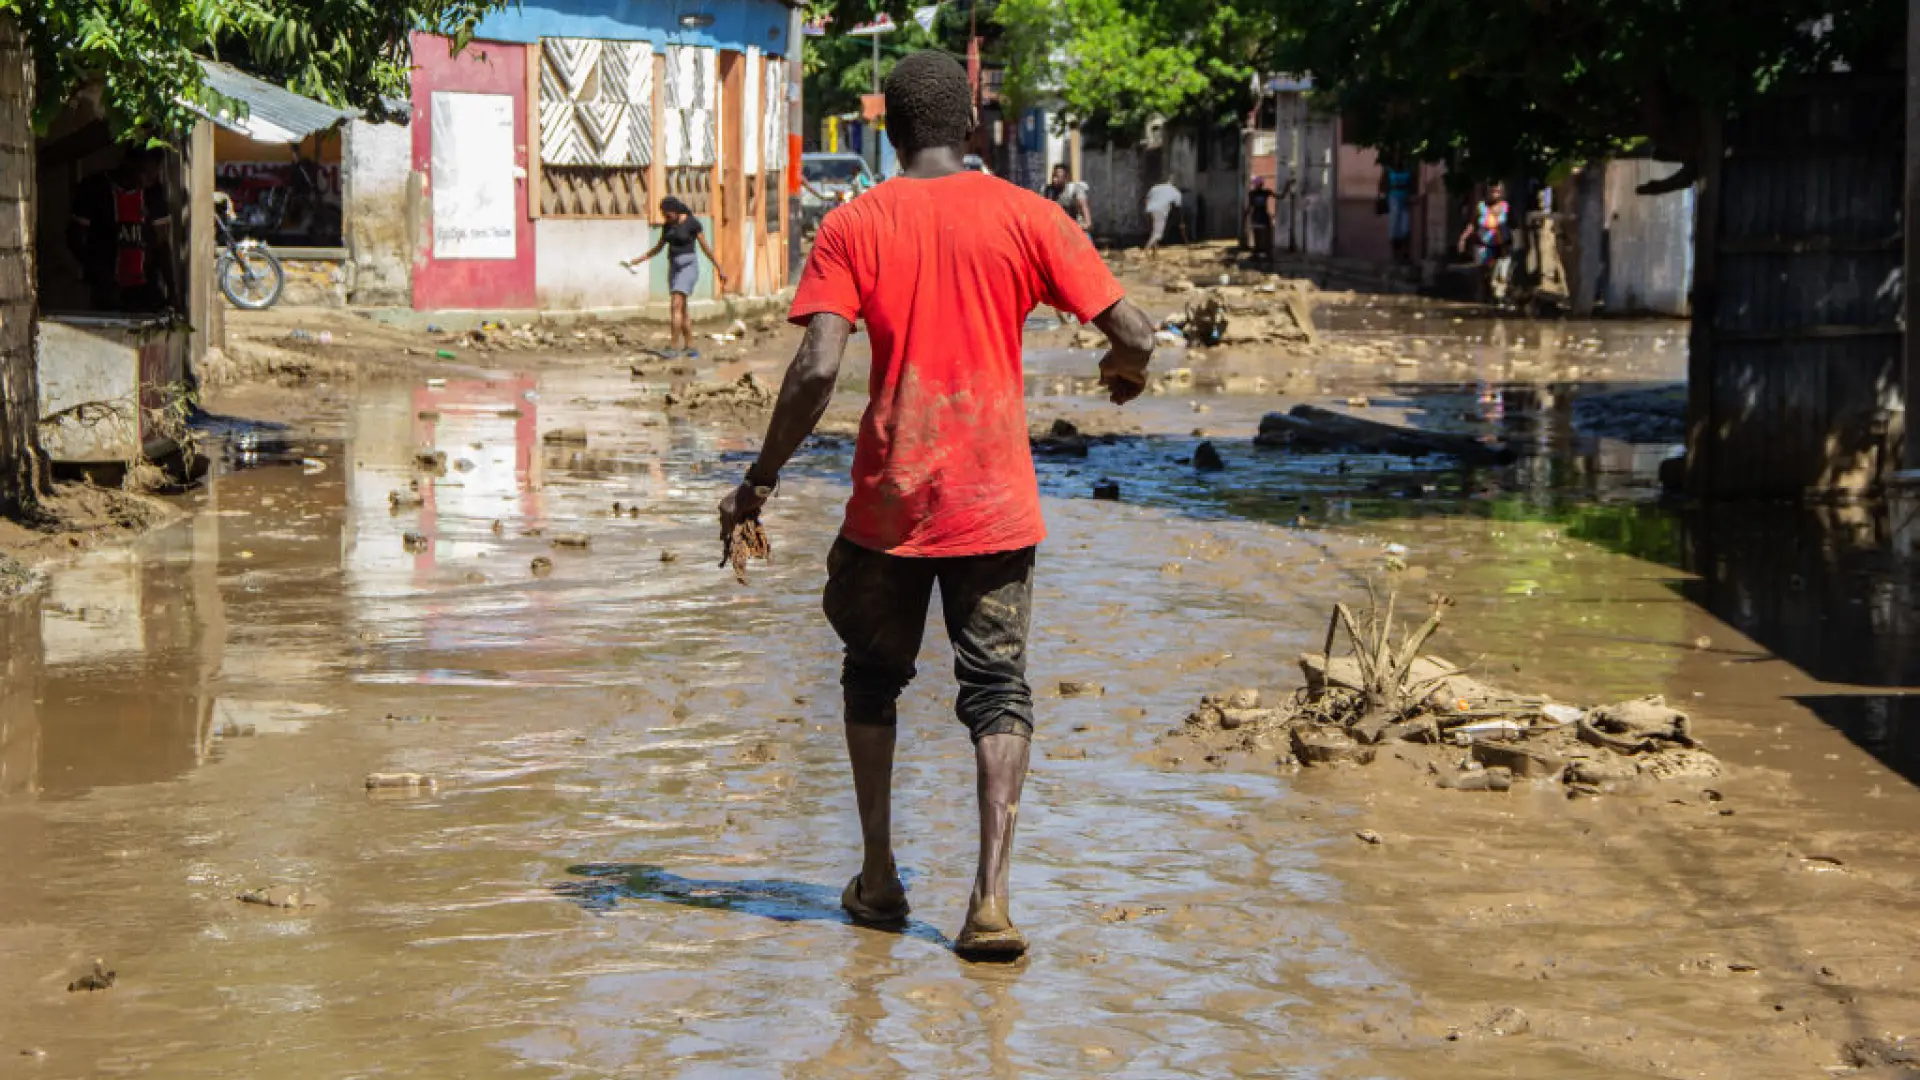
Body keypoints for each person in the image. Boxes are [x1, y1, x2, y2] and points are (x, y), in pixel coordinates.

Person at [716, 51, 1157, 961]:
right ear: (969, 129)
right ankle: (990, 903)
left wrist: (760, 478)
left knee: (872, 680)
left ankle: (878, 880)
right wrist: (1125, 370)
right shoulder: (1029, 217)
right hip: (995, 503)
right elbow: (1135, 331)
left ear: (888, 130)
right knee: (997, 689)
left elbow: (817, 369)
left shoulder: (855, 224)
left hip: (889, 502)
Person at [69, 147, 173, 312]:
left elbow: (162, 244)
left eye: (154, 174)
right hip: (105, 288)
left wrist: (173, 293)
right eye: (145, 173)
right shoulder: (94, 188)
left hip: (146, 289)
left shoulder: (153, 192)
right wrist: (101, 276)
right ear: (129, 164)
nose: (150, 179)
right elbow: (76, 239)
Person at [623, 197, 727, 357]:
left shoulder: (692, 223)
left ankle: (672, 347)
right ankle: (690, 346)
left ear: (676, 211)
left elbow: (705, 247)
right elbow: (658, 248)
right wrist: (637, 260)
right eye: (664, 215)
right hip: (674, 268)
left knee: (675, 304)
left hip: (688, 268)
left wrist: (719, 268)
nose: (666, 218)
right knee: (682, 309)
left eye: (668, 214)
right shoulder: (667, 227)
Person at [1457, 182, 1512, 302]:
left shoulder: (1506, 207)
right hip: (1483, 244)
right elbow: (1473, 223)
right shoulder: (1482, 206)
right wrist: (1463, 237)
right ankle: (1482, 297)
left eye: (1497, 191)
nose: (1494, 194)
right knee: (1482, 272)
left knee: (1501, 274)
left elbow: (1513, 225)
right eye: (1492, 191)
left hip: (1501, 245)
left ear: (1502, 192)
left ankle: (1499, 298)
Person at [1380, 159, 1414, 264]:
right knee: (1394, 225)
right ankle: (1395, 254)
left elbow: (1411, 186)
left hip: (1404, 201)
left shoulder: (1408, 171)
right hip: (1394, 200)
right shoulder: (1389, 171)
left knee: (1405, 226)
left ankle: (1404, 253)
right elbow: (1383, 186)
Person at [1043, 164, 1092, 231]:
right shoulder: (1048, 190)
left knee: (1086, 239)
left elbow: (1084, 207)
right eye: (1053, 176)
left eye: (1057, 177)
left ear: (1066, 178)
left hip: (1075, 226)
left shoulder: (1075, 189)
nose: (1054, 180)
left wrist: (1086, 224)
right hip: (1056, 228)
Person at [1242, 176, 1279, 257]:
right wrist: (1245, 216)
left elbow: (1279, 196)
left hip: (1262, 217)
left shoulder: (1265, 192)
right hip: (1257, 217)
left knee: (1265, 235)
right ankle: (1258, 252)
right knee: (1258, 236)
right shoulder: (1252, 193)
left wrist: (1245, 216)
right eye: (1256, 184)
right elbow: (1250, 206)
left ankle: (1264, 252)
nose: (1257, 185)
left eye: (1257, 184)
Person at [1144, 180, 1183, 253]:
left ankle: (1155, 251)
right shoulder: (1176, 192)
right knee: (1158, 233)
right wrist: (1181, 221)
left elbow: (1146, 198)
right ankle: (1147, 248)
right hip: (1161, 211)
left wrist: (1148, 207)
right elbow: (1178, 208)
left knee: (1155, 230)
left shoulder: (1155, 187)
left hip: (1150, 209)